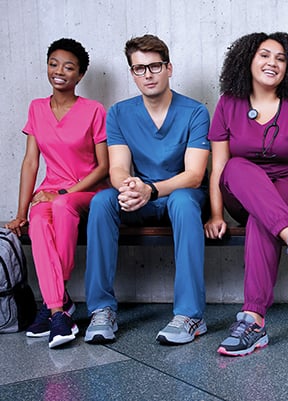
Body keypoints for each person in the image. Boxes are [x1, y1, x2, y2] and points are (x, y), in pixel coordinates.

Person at [205, 32, 288, 357]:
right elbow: (218, 168)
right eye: (264, 55)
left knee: (262, 223)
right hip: (242, 191)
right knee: (236, 166)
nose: (272, 62)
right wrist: (217, 214)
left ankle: (253, 321)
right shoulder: (228, 102)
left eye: (280, 58)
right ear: (248, 59)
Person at [83, 34, 211, 346]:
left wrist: (150, 189)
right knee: (102, 202)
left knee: (181, 200)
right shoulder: (119, 113)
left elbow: (194, 175)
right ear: (132, 73)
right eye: (139, 69)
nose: (148, 75)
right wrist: (129, 187)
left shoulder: (195, 112)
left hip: (180, 197)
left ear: (169, 68)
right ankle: (101, 310)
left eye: (154, 66)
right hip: (139, 198)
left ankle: (190, 316)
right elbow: (117, 168)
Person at [5, 38, 109, 348]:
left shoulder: (93, 110)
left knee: (62, 206)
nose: (59, 71)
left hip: (87, 191)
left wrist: (63, 191)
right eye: (54, 63)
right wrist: (21, 212)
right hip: (49, 193)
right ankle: (58, 310)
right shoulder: (37, 108)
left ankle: (55, 306)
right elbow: (30, 162)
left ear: (79, 76)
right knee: (37, 222)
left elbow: (103, 167)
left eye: (69, 67)